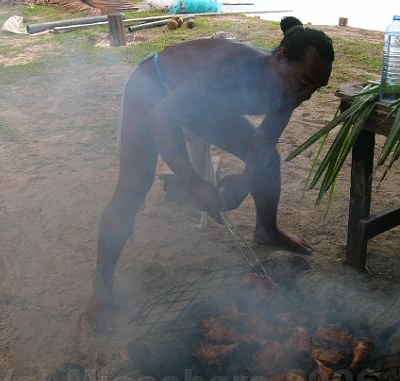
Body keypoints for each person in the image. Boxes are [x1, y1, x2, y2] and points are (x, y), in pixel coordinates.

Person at [86, 17, 334, 329]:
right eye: (305, 82)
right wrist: (193, 184)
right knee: (135, 184)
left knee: (268, 162)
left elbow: (263, 144)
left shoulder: (291, 87)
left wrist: (244, 182)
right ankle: (102, 285)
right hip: (156, 85)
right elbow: (162, 119)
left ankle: (267, 230)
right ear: (281, 59)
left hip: (206, 102)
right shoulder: (231, 69)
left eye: (317, 87)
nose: (308, 94)